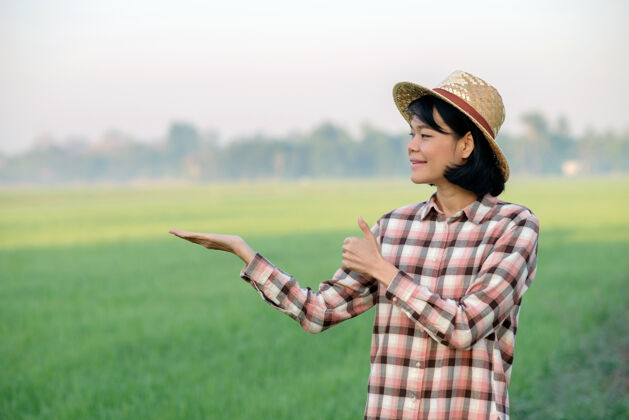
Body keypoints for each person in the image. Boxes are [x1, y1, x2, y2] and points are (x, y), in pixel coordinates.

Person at [169, 70, 539, 420]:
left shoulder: (512, 227)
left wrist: (384, 271)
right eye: (411, 134)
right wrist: (244, 253)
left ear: (466, 145)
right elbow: (318, 312)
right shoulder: (393, 228)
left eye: (426, 136)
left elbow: (463, 327)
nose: (411, 147)